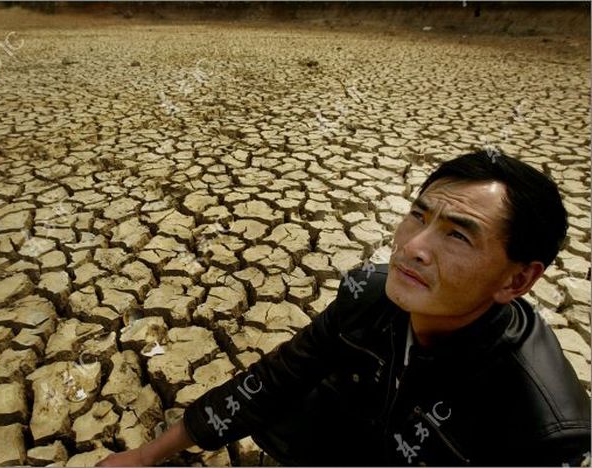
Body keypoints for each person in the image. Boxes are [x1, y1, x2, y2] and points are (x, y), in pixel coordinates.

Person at [97, 150, 591, 466]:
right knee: (290, 401)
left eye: (458, 235)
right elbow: (276, 377)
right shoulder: (370, 295)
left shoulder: (544, 427)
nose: (412, 247)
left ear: (518, 279)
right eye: (417, 215)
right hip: (370, 438)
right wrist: (145, 456)